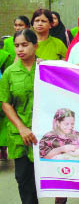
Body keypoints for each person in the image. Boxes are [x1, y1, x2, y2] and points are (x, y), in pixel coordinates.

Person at [0, 29, 39, 204]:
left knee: (47, 179)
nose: (20, 49)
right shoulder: (10, 72)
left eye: (25, 44)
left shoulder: (45, 68)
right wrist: (21, 128)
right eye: (16, 46)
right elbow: (5, 102)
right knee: (24, 181)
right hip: (19, 135)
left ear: (35, 45)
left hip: (43, 134)